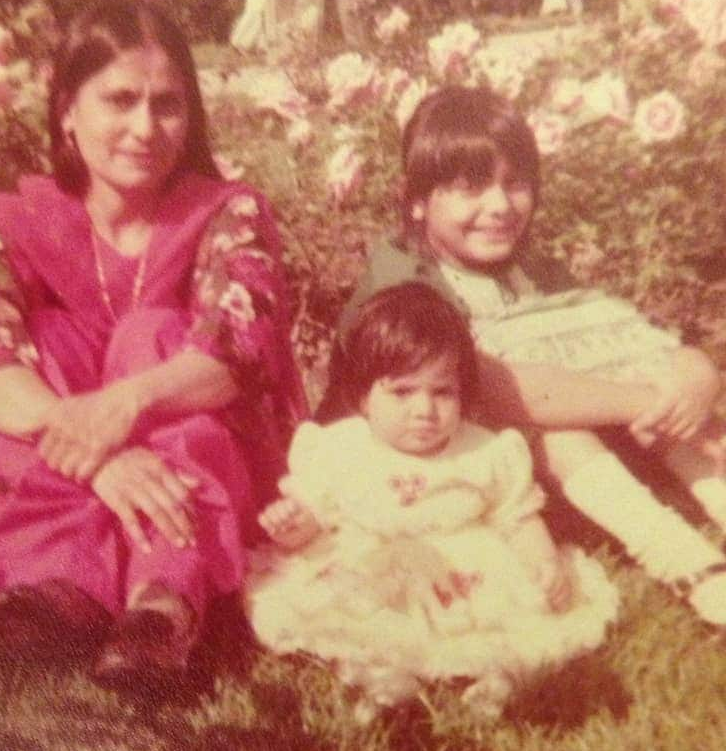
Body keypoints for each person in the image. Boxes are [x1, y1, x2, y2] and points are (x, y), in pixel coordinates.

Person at [0, 0, 306, 685]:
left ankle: (162, 604)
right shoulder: (9, 220)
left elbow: (234, 355)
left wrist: (124, 408)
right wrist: (99, 459)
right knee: (45, 340)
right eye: (120, 100)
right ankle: (56, 589)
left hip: (200, 458)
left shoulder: (229, 212)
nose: (145, 126)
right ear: (67, 109)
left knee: (152, 333)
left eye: (168, 104)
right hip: (65, 453)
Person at [331, 85, 726, 626]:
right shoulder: (403, 283)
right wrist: (646, 399)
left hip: (533, 467)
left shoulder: (527, 269)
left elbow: (621, 342)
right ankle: (688, 565)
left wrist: (693, 375)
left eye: (515, 184)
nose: (499, 206)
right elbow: (495, 388)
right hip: (432, 474)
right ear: (417, 199)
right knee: (562, 424)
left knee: (678, 404)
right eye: (471, 188)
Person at [247, 282, 619, 720]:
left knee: (513, 616)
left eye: (442, 392)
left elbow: (516, 515)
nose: (424, 410)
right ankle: (380, 679)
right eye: (402, 392)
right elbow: (317, 520)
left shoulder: (484, 452)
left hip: (463, 562)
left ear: (463, 392)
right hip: (371, 556)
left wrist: (544, 562)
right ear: (365, 396)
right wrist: (295, 523)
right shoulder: (339, 449)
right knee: (352, 607)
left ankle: (500, 675)